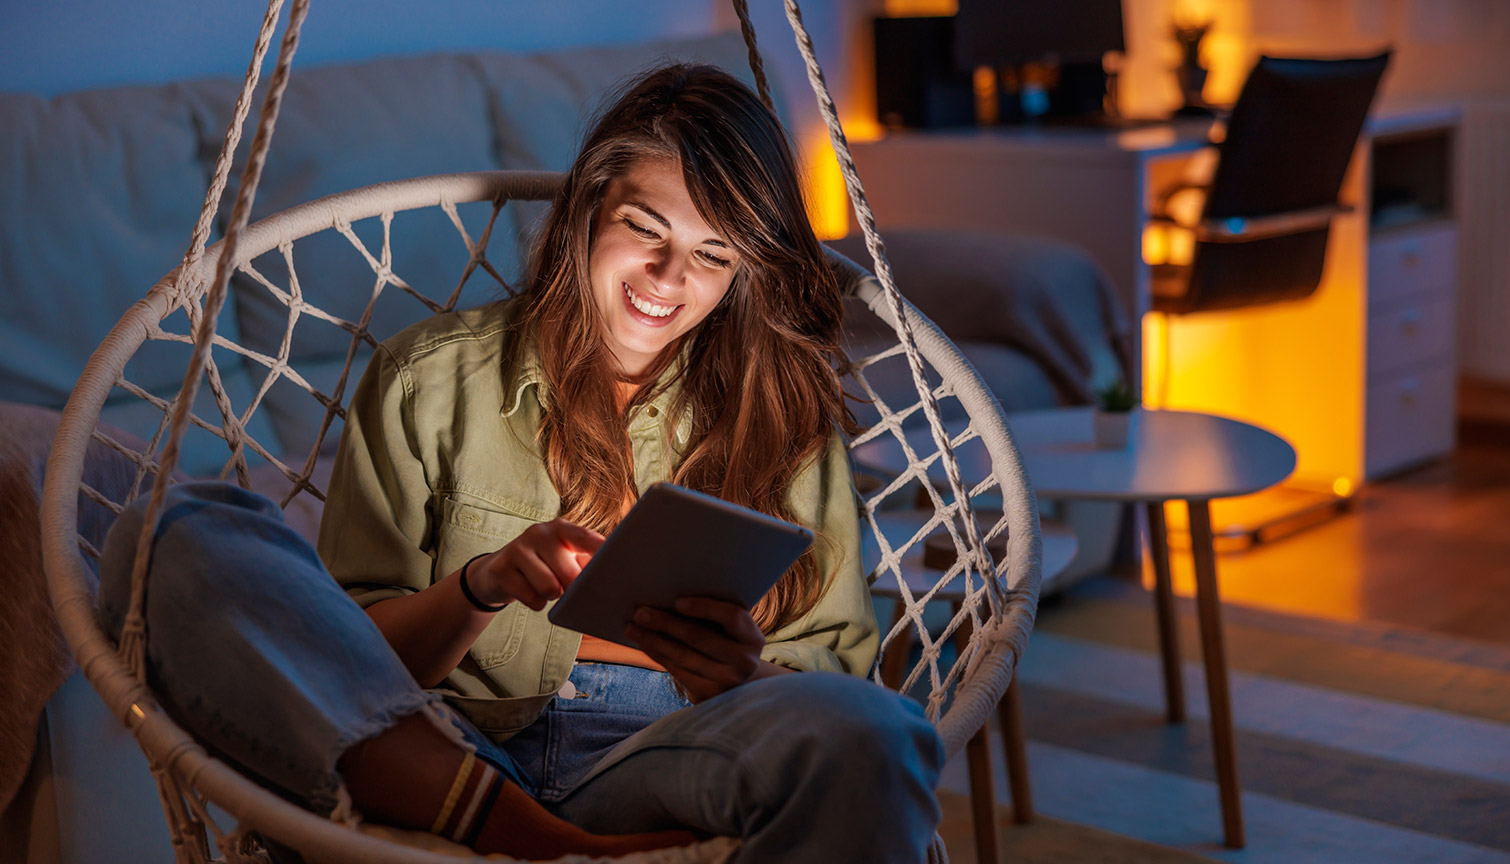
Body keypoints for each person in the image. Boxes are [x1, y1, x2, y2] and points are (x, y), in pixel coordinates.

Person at [98, 64, 943, 863]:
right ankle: (537, 841)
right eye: (644, 229)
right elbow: (346, 660)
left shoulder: (782, 419)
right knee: (167, 536)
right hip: (446, 751)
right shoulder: (426, 377)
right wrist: (482, 587)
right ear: (588, 211)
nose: (668, 277)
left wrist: (743, 677)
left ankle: (530, 839)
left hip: (666, 757)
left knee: (881, 735)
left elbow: (831, 684)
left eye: (714, 256)